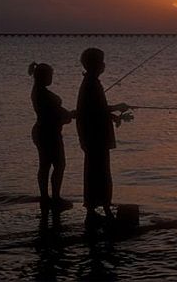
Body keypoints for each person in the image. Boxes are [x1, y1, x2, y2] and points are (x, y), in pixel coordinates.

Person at [76, 48, 129, 224]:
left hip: (92, 135)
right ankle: (101, 208)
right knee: (100, 172)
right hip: (95, 136)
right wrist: (116, 107)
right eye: (101, 61)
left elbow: (95, 110)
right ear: (95, 64)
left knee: (95, 171)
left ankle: (97, 208)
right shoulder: (91, 84)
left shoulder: (91, 83)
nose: (104, 64)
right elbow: (96, 110)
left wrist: (113, 115)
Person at [29, 62, 74, 213]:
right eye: (50, 75)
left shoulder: (39, 92)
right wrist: (67, 116)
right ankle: (54, 198)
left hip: (44, 131)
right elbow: (54, 114)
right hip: (48, 133)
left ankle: (47, 198)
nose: (52, 78)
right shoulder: (42, 94)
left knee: (46, 165)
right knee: (58, 164)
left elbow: (57, 112)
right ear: (43, 76)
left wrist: (67, 115)